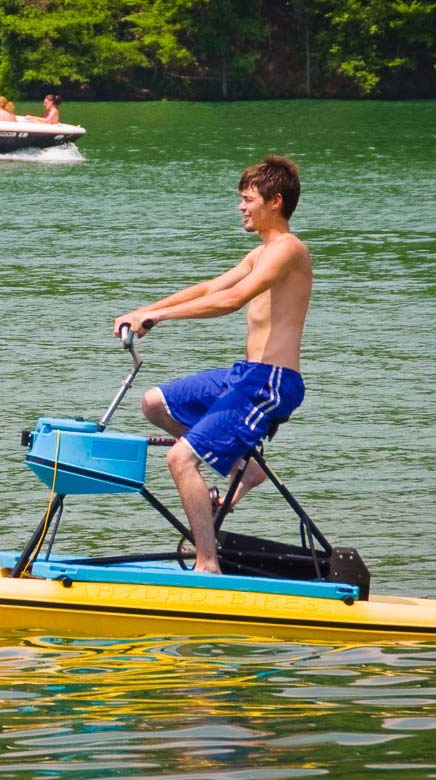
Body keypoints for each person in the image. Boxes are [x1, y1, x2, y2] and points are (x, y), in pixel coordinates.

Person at [111, 155, 310, 575]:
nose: (241, 207)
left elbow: (230, 301)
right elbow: (210, 287)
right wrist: (144, 310)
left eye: (247, 199)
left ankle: (207, 564)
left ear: (274, 201)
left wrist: (162, 318)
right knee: (153, 403)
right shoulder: (261, 254)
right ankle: (245, 468)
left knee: (180, 460)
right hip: (246, 375)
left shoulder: (289, 250)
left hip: (272, 383)